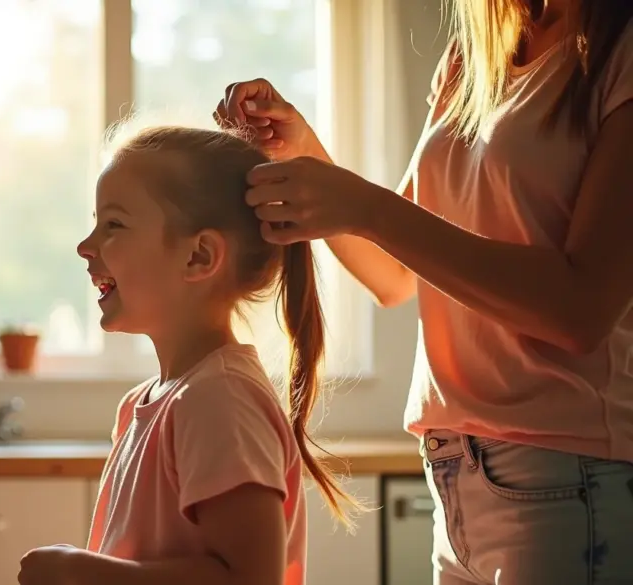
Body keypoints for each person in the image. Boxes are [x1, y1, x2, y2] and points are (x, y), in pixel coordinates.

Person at [214, 0, 633, 584]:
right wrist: (301, 150)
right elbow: (395, 274)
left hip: (567, 476)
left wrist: (366, 206)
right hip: (453, 470)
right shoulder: (472, 58)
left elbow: (581, 309)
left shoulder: (619, 55)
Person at [16, 125, 363, 585]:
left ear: (199, 256)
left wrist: (83, 573)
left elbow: (249, 578)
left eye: (113, 225)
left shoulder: (219, 400)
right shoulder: (152, 402)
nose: (85, 246)